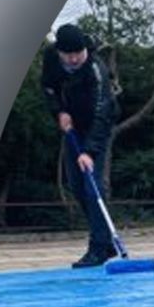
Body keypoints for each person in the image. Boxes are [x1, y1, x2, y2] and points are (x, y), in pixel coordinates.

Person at [40, 23, 121, 266]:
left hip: (97, 126)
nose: (75, 59)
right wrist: (60, 112)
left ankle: (98, 247)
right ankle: (106, 243)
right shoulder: (51, 58)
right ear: (60, 52)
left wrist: (89, 151)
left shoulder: (96, 69)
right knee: (76, 185)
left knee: (91, 184)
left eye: (79, 53)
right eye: (69, 55)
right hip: (72, 125)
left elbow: (102, 110)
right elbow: (48, 87)